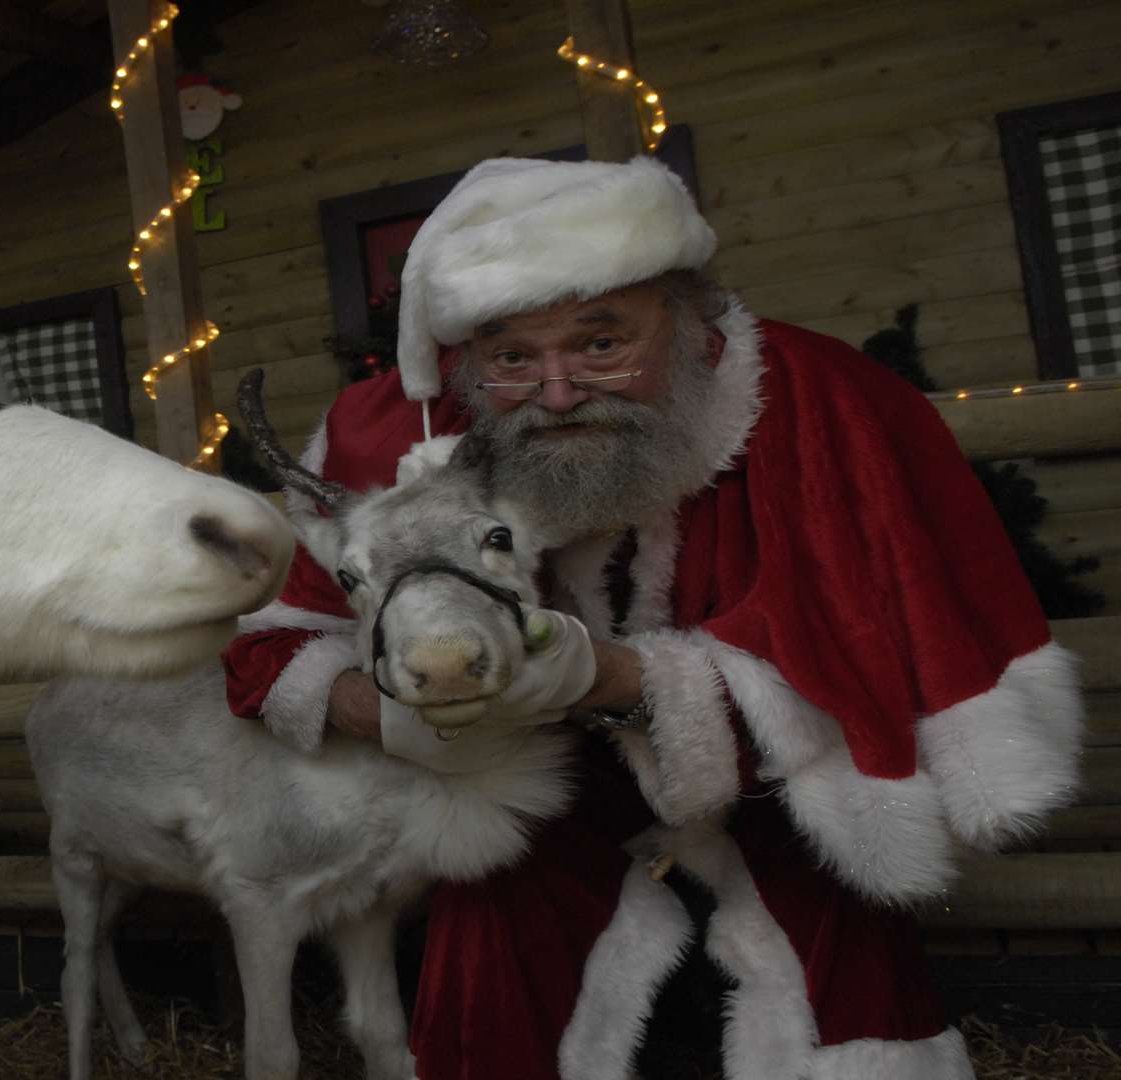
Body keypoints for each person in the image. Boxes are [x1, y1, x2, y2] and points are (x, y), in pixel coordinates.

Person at [222, 156, 1084, 1079]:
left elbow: (871, 660)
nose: (557, 392)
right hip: (536, 788)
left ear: (689, 320)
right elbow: (277, 649)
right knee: (487, 942)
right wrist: (392, 712)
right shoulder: (394, 433)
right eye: (513, 358)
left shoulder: (819, 405)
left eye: (602, 344)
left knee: (844, 952)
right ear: (468, 361)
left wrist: (613, 679)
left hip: (780, 783)